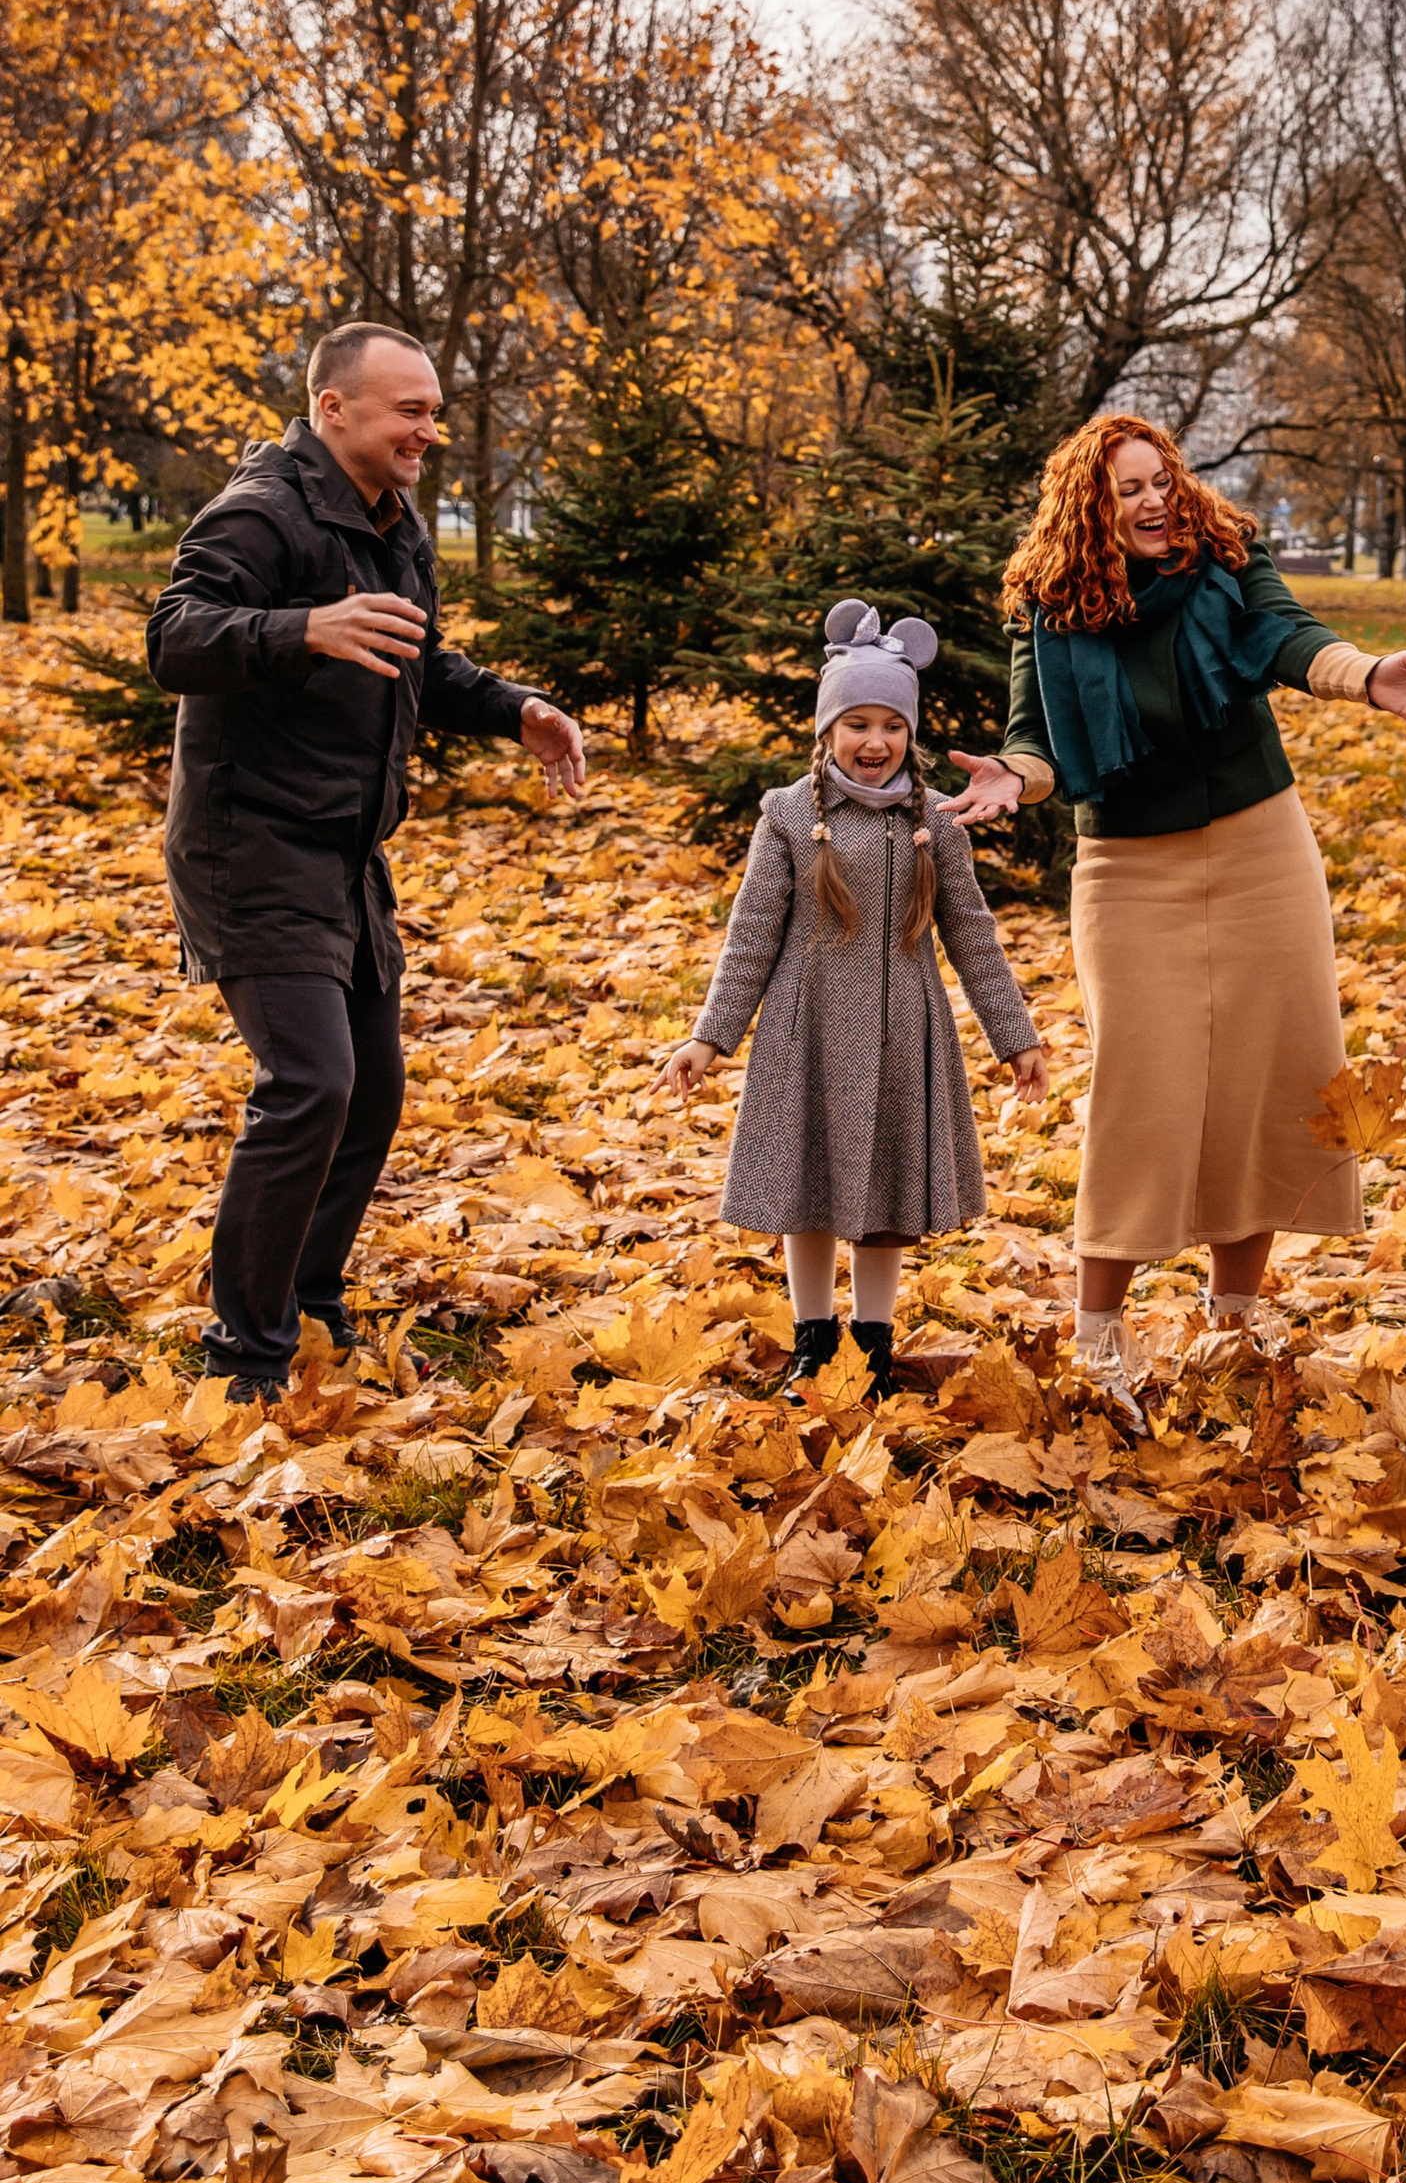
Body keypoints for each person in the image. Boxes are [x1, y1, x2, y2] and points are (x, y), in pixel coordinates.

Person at [939, 414, 1406, 1409]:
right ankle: (1098, 1337)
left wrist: (1369, 678)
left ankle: (1232, 1324)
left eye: (1161, 478)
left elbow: (1289, 638)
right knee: (1144, 1089)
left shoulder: (1225, 563)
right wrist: (1013, 777)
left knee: (1269, 1074)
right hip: (1128, 869)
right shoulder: (1049, 609)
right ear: (1091, 508)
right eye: (1129, 488)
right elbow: (1037, 740)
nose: (1156, 499)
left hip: (1261, 848)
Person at [146, 325, 587, 1400]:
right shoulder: (261, 512)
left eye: (433, 411)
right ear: (333, 408)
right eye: (409, 411)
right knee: (311, 1083)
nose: (428, 431)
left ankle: (307, 1302)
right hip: (249, 843)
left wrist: (514, 709)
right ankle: (246, 1355)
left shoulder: (391, 521)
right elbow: (175, 637)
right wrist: (303, 626)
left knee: (372, 1093)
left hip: (343, 849)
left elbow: (413, 655)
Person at [657, 602, 1048, 1394]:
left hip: (903, 1030)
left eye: (893, 726)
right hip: (805, 1031)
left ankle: (871, 1344)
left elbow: (972, 934)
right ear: (827, 730)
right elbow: (751, 934)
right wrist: (709, 1035)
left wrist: (1016, 1036)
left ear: (911, 733)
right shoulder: (789, 816)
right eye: (858, 723)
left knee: (885, 1195)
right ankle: (813, 1337)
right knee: (808, 1190)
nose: (876, 741)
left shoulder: (937, 821)